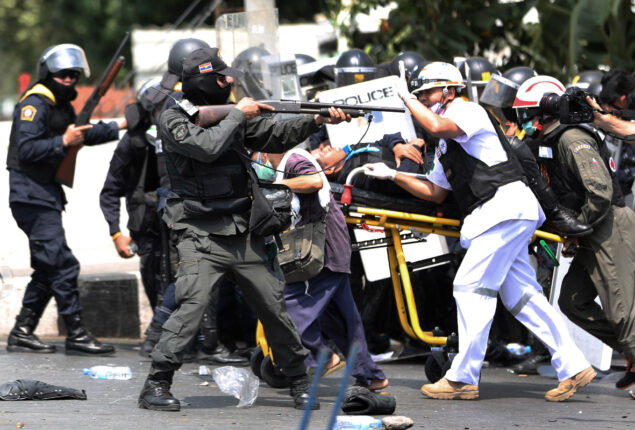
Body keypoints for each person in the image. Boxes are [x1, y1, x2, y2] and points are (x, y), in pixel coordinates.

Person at [363, 62, 595, 401]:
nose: (423, 99)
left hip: (503, 210)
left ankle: (463, 377)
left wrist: (404, 98)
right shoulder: (445, 143)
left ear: (449, 89)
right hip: (500, 213)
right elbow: (436, 192)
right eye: (419, 94)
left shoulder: (466, 111)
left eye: (427, 92)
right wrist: (392, 175)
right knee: (522, 297)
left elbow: (438, 125)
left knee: (470, 286)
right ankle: (574, 365)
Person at [137, 47, 349, 412]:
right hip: (201, 233)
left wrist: (315, 120)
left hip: (244, 229)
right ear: (204, 81)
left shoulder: (233, 115)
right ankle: (157, 382)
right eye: (222, 77)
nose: (230, 81)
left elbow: (275, 135)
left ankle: (299, 379)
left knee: (273, 307)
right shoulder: (173, 117)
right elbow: (205, 148)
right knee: (192, 304)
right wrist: (237, 114)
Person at [513, 75, 635, 392]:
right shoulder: (544, 143)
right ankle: (631, 350)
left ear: (545, 111)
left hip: (608, 225)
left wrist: (574, 227)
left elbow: (600, 192)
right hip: (587, 228)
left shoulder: (571, 139)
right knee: (572, 303)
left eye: (526, 112)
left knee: (621, 311)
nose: (522, 120)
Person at [6, 44, 125, 355]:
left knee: (47, 267)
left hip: (44, 195)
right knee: (63, 264)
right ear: (49, 74)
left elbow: (82, 134)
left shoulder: (60, 106)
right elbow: (28, 148)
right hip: (30, 196)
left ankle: (21, 331)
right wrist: (63, 141)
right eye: (63, 75)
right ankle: (76, 333)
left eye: (73, 74)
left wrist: (121, 125)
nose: (69, 79)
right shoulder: (35, 103)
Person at [253, 149, 389, 390]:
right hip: (328, 249)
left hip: (319, 252)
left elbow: (314, 180)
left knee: (284, 308)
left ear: (265, 151)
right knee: (343, 319)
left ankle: (320, 358)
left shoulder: (293, 161)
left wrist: (274, 184)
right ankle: (371, 376)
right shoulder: (289, 163)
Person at [100, 77, 165, 311]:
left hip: (179, 227)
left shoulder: (185, 136)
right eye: (156, 109)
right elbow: (109, 192)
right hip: (147, 229)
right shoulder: (132, 143)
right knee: (155, 284)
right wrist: (116, 234)